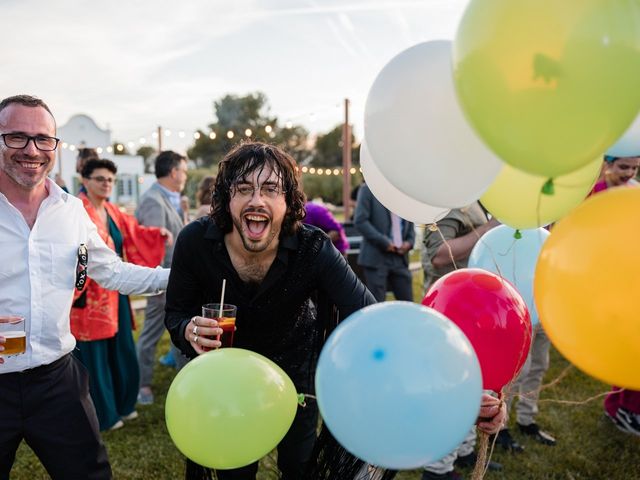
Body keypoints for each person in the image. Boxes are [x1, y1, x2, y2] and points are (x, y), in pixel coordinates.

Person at [164, 141, 506, 480]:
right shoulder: (196, 242)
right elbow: (176, 313)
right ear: (227, 198)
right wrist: (188, 330)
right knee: (233, 470)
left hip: (296, 376)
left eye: (270, 189)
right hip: (226, 377)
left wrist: (459, 395)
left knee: (299, 468)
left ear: (288, 203)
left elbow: (377, 322)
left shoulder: (312, 248)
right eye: (243, 189)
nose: (257, 200)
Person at [0, 94, 169, 479]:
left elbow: (112, 272)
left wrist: (178, 277)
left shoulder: (70, 211)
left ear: (55, 147)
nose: (32, 150)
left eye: (43, 139)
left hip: (56, 378)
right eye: (16, 137)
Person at [70, 158, 172, 431]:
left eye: (111, 180)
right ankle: (104, 414)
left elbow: (134, 231)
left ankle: (124, 405)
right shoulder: (75, 210)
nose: (107, 184)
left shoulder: (112, 210)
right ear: (85, 180)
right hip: (89, 297)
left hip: (117, 293)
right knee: (97, 357)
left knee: (122, 349)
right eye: (100, 179)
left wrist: (156, 233)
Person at [421, 202, 501, 479]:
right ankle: (437, 469)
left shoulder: (476, 200)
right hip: (449, 312)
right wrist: (490, 227)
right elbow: (438, 256)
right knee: (451, 389)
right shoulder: (446, 203)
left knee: (475, 383)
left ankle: (464, 452)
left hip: (475, 310)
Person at [589, 157, 640, 436]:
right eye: (623, 166)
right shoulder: (594, 194)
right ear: (607, 164)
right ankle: (620, 406)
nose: (629, 173)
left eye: (634, 167)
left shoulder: (635, 192)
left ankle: (628, 404)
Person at [135, 150, 189, 405]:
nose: (186, 175)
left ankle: (185, 380)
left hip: (178, 279)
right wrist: (160, 284)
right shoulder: (153, 200)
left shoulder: (174, 198)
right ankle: (142, 385)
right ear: (174, 171)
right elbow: (154, 247)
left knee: (181, 330)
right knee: (151, 333)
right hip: (161, 280)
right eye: (184, 170)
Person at [354, 183, 415, 302]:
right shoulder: (368, 189)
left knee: (408, 304)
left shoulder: (406, 191)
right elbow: (360, 221)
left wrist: (409, 242)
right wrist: (384, 242)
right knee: (376, 305)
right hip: (376, 257)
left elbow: (411, 220)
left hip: (400, 258)